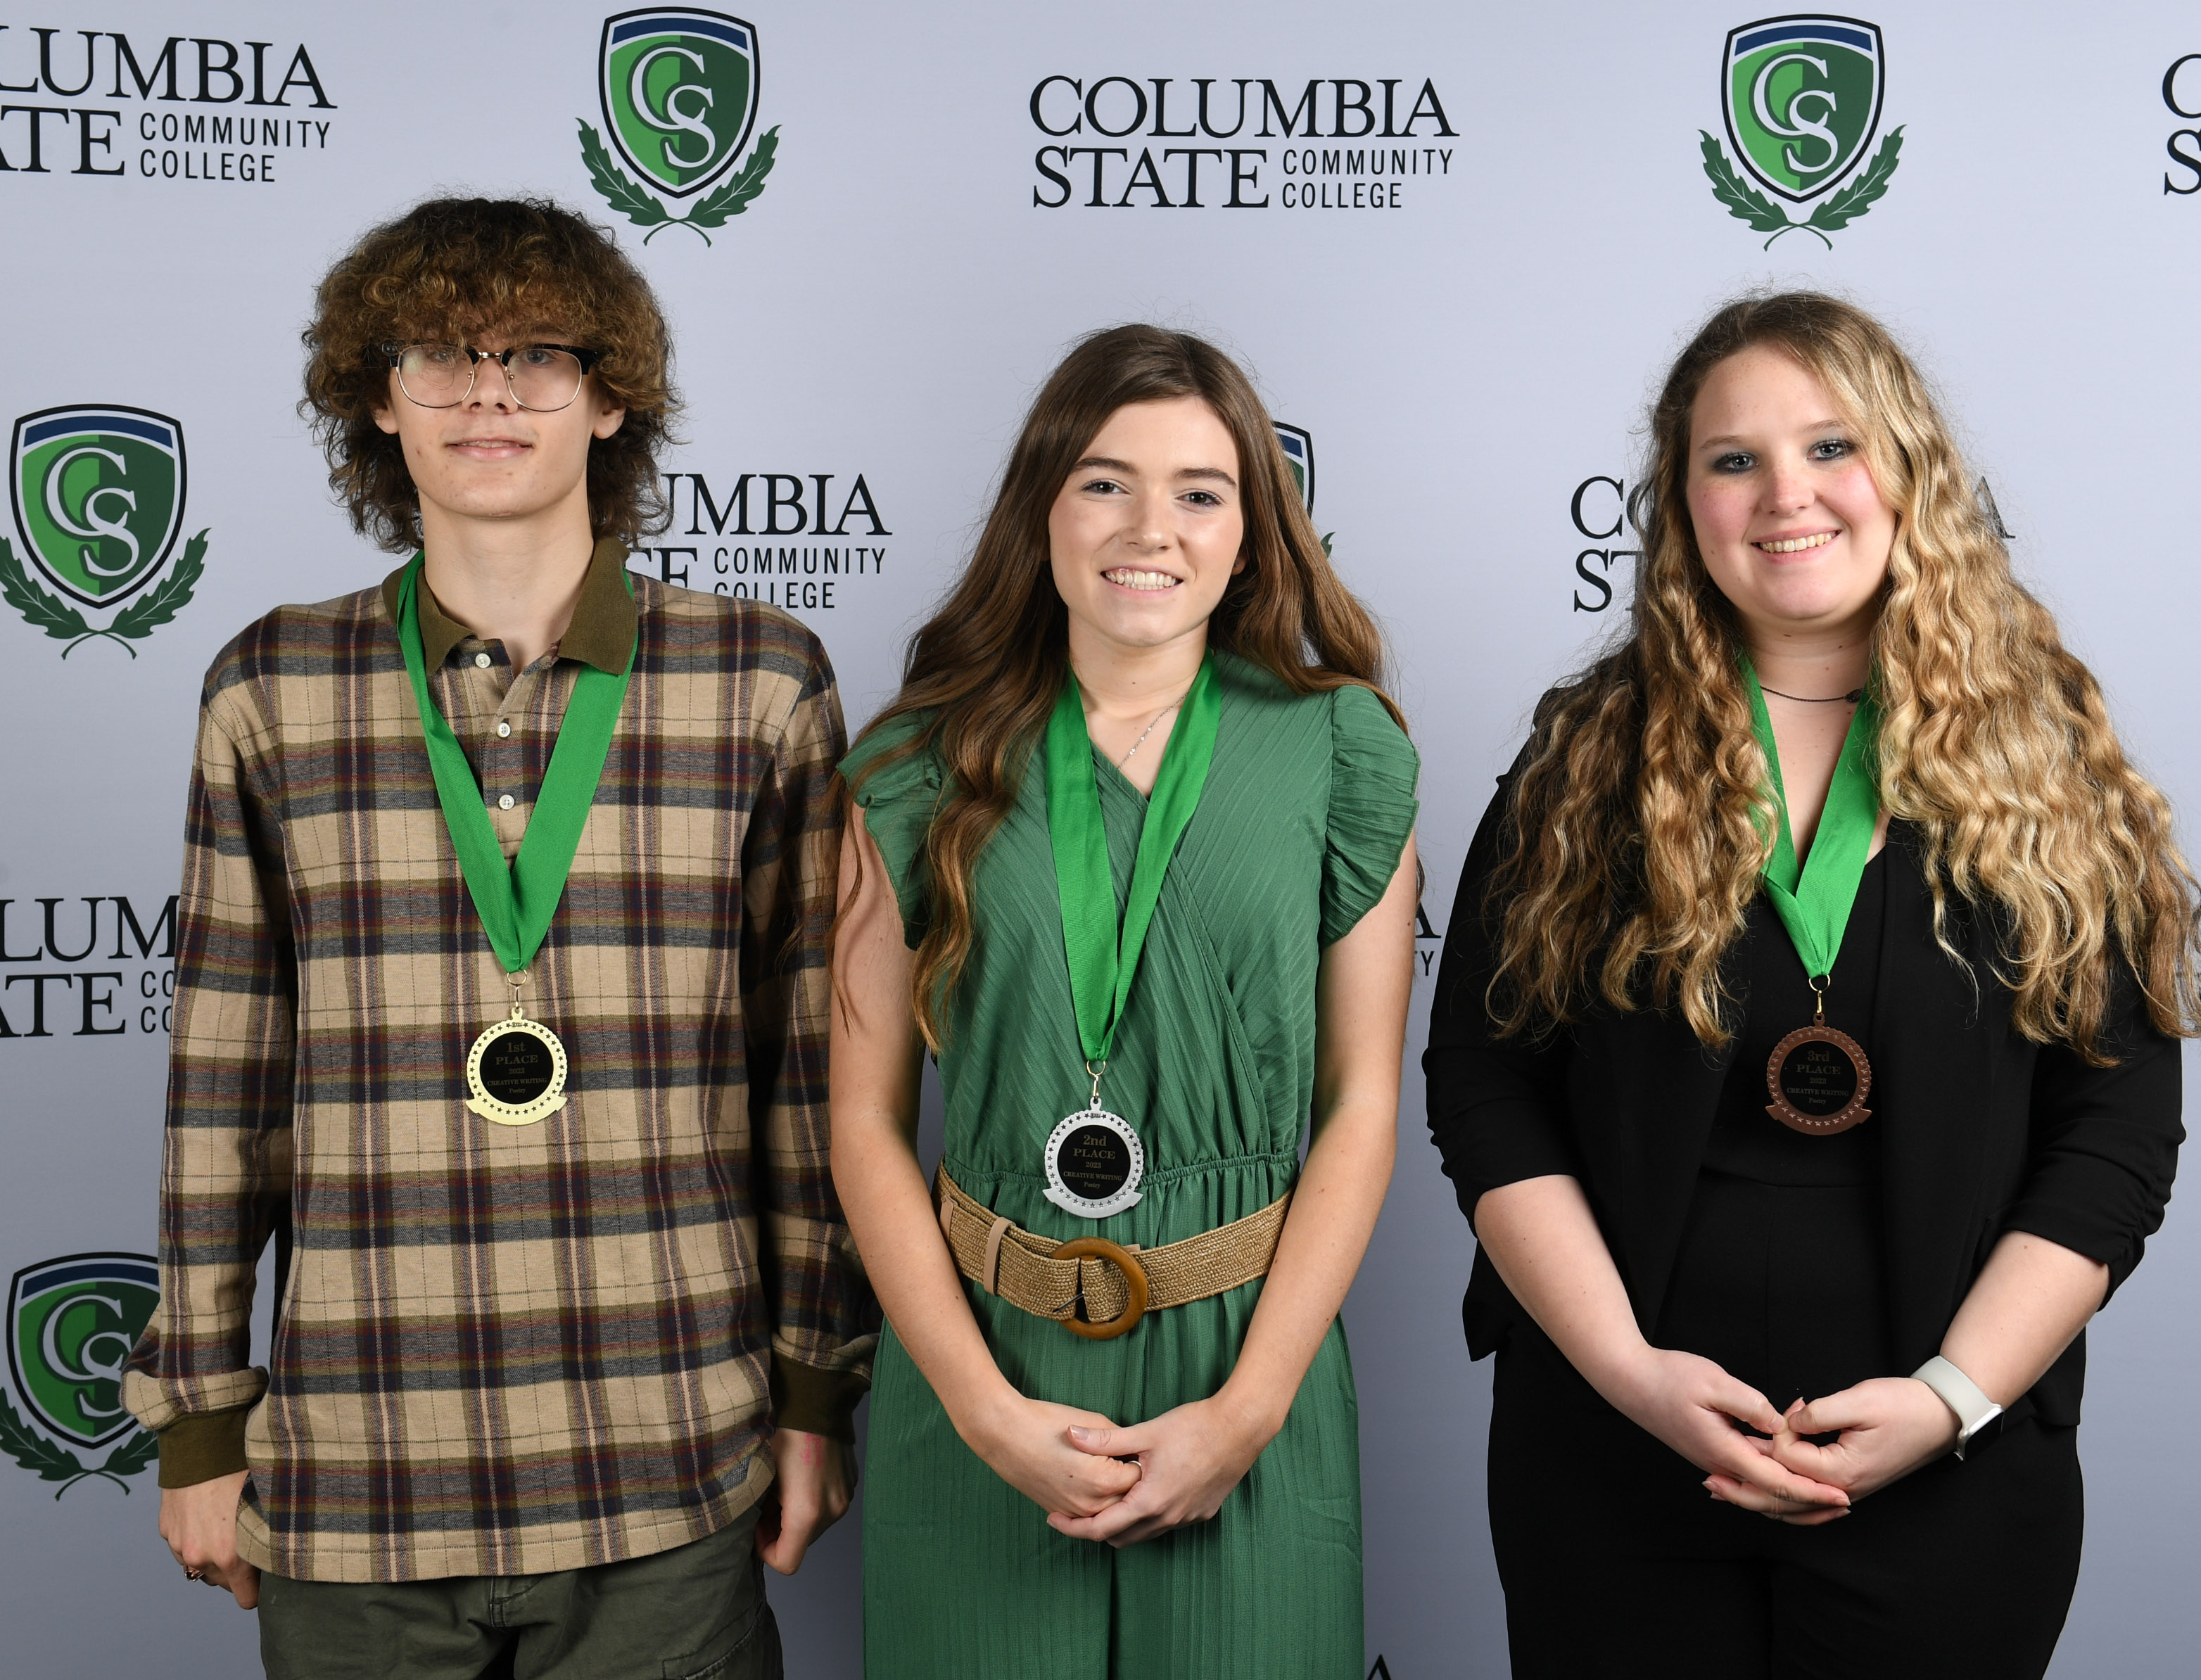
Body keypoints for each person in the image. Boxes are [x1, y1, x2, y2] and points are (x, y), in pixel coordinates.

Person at [120, 196, 874, 1679]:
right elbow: (222, 1091)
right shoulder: (271, 685)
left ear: (608, 401)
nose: (486, 395)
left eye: (536, 355)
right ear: (374, 402)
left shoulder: (761, 681)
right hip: (357, 1481)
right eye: (438, 357)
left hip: (668, 1458)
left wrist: (810, 1395)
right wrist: (202, 1416)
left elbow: (809, 1089)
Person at [1423, 292, 2201, 1678]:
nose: (1785, 494)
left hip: (1945, 1477)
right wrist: (1624, 1376)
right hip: (1613, 1464)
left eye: (1830, 446)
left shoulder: (2047, 765)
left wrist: (1950, 1399)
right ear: (1680, 506)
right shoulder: (1582, 765)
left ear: (1906, 473)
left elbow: (2115, 1128)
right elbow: (1486, 1086)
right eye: (1732, 460)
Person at [829, 324, 1419, 1679]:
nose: (1148, 527)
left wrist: (1248, 1411)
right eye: (1103, 482)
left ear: (1253, 534)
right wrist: (981, 1414)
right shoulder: (913, 762)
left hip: (1243, 1362)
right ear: (1041, 508)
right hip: (982, 1356)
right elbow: (861, 1124)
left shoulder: (1342, 748)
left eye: (1200, 492)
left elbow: (1363, 1105)